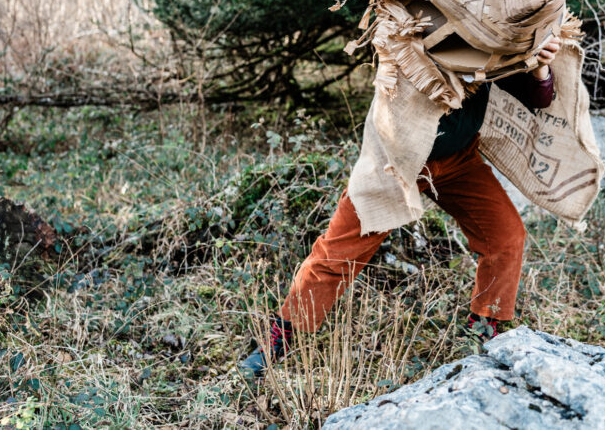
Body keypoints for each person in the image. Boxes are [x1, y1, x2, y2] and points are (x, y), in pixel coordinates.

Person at [239, 36, 563, 376]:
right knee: (339, 252)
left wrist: (539, 66)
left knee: (506, 237)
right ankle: (280, 338)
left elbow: (537, 98)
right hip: (396, 160)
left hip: (458, 160)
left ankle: (484, 330)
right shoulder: (421, 18)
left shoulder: (496, 29)